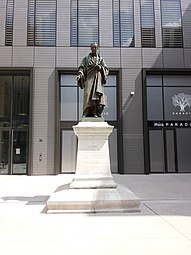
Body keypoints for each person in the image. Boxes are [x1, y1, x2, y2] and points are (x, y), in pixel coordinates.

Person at [76, 43, 109, 118]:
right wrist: (80, 75)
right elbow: (81, 68)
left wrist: (100, 68)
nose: (94, 49)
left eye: (95, 47)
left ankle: (96, 112)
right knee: (87, 95)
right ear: (90, 49)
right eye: (93, 47)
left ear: (98, 48)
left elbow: (106, 69)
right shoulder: (86, 59)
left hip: (98, 79)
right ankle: (86, 112)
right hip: (89, 79)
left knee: (96, 96)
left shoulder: (101, 59)